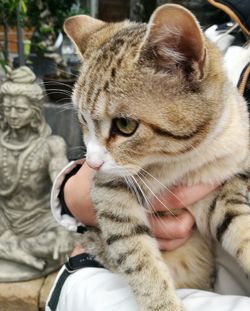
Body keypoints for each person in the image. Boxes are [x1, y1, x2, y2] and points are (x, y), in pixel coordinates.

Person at [0, 66, 77, 281]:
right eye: (7, 108)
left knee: (61, 241)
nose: (12, 115)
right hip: (4, 217)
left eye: (20, 109)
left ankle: (12, 248)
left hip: (39, 221)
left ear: (34, 110)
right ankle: (15, 251)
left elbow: (62, 188)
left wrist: (64, 231)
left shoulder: (51, 146)